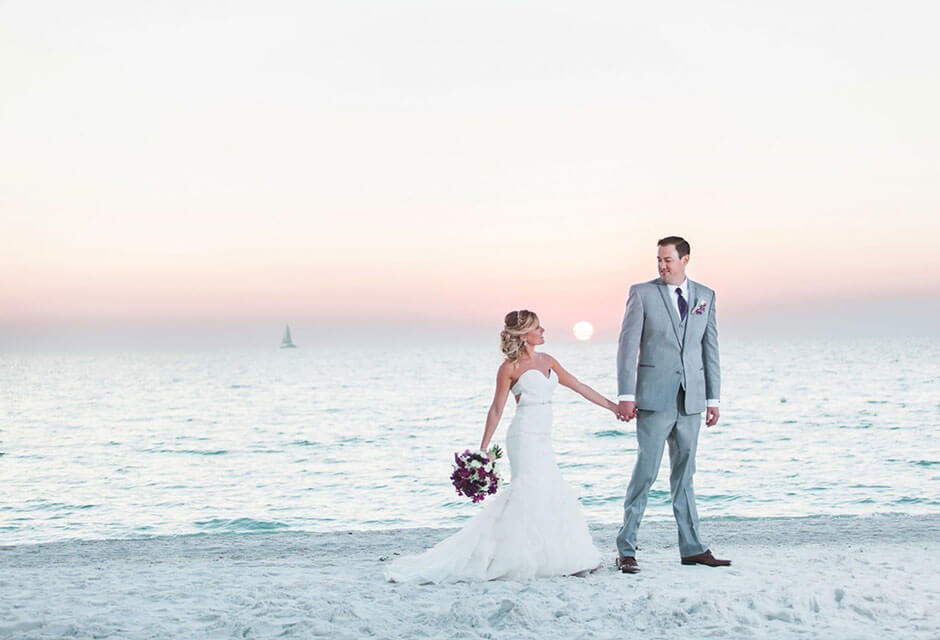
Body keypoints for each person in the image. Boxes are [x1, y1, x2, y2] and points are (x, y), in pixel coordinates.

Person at [385, 310, 614, 583]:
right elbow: (496, 409)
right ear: (524, 335)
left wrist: (612, 407)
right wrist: (482, 451)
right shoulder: (510, 368)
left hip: (544, 436)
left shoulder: (549, 361)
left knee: (550, 489)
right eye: (537, 328)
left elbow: (579, 386)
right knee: (528, 491)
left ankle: (562, 557)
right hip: (524, 436)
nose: (543, 331)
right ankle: (516, 556)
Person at [614, 236, 731, 574]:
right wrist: (626, 395)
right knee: (645, 473)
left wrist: (713, 398)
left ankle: (692, 548)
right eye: (659, 260)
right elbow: (627, 346)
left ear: (685, 260)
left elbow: (710, 349)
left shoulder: (705, 296)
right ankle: (626, 547)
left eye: (668, 260)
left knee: (685, 476)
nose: (662, 266)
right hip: (653, 398)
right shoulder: (642, 293)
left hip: (691, 400)